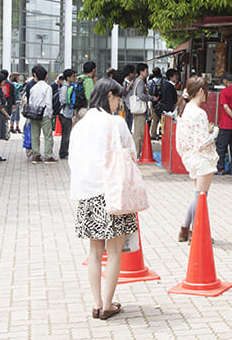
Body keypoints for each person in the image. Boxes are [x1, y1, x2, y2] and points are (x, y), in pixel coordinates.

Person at [69, 77, 138, 320]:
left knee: (95, 251)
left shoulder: (80, 125)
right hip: (112, 193)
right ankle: (108, 304)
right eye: (118, 97)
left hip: (87, 194)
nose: (119, 102)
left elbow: (72, 160)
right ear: (110, 95)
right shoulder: (115, 123)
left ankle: (96, 303)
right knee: (115, 251)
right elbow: (132, 153)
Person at [175, 76, 219, 242]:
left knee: (198, 196)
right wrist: (214, 133)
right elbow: (202, 142)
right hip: (202, 158)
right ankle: (195, 232)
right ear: (201, 91)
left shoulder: (183, 110)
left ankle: (185, 230)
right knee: (201, 196)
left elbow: (180, 141)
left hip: (190, 157)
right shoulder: (200, 113)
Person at [28, 65, 56, 164]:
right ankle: (48, 156)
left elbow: (30, 102)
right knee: (47, 135)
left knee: (35, 135)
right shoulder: (47, 87)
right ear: (45, 76)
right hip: (44, 114)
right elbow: (48, 102)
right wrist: (50, 114)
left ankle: (36, 155)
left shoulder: (33, 88)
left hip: (34, 114)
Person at [131, 63, 158, 156]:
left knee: (138, 132)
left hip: (138, 110)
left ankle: (137, 152)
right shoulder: (140, 82)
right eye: (146, 70)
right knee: (139, 133)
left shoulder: (138, 81)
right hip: (139, 110)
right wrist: (152, 98)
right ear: (141, 71)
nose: (147, 72)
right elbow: (141, 95)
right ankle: (136, 152)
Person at [57, 68, 75, 160]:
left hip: (66, 113)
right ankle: (63, 152)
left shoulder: (68, 86)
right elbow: (63, 100)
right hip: (65, 113)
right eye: (73, 76)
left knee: (66, 133)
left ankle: (64, 151)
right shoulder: (65, 87)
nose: (74, 78)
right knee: (66, 134)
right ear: (68, 77)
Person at [147, 67, 164, 140]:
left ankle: (153, 134)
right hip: (162, 102)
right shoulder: (163, 81)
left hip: (153, 102)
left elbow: (149, 92)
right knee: (162, 119)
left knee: (154, 119)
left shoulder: (150, 82)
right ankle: (162, 133)